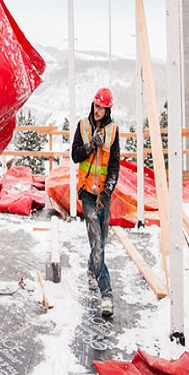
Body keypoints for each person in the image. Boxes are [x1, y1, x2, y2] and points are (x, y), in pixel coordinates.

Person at [71, 87, 120, 317]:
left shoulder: (113, 132)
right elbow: (75, 155)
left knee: (102, 240)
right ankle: (107, 294)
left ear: (108, 109)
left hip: (103, 195)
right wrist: (91, 144)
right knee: (97, 244)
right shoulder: (83, 126)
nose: (97, 110)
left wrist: (108, 191)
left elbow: (114, 166)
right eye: (95, 105)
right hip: (87, 195)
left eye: (102, 107)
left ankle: (92, 270)